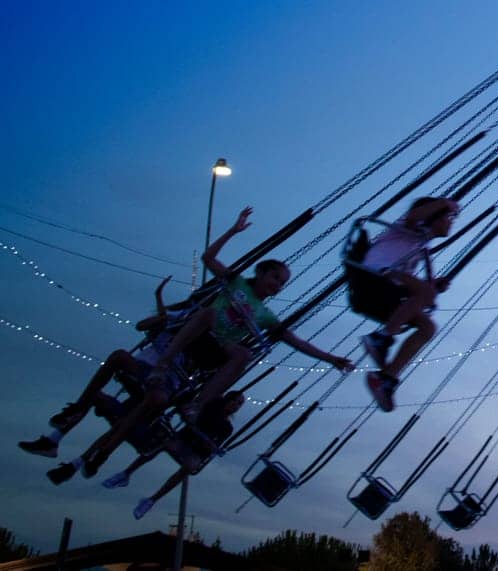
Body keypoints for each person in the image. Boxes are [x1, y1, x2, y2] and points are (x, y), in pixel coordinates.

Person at [57, 207, 352, 481]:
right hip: (196, 334)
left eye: (282, 283)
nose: (278, 285)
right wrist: (233, 231)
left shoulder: (265, 314)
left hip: (211, 351)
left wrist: (331, 358)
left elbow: (294, 340)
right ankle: (101, 432)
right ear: (260, 273)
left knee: (243, 352)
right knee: (209, 313)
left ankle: (196, 405)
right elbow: (209, 258)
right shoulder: (237, 283)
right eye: (275, 277)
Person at [19, 277, 182, 460]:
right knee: (105, 378)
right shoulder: (172, 321)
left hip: (161, 379)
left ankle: (82, 459)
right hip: (142, 367)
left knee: (120, 417)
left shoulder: (192, 341)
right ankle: (57, 436)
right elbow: (141, 326)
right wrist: (161, 304)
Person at [354, 196, 457, 411]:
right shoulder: (406, 228)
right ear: (433, 216)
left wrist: (435, 285)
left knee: (428, 327)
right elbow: (413, 215)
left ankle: (386, 378)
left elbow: (421, 287)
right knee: (425, 292)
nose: (451, 222)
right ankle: (381, 338)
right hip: (374, 276)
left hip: (391, 288)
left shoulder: (421, 246)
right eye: (449, 217)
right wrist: (443, 203)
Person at [96, 390, 246, 520]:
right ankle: (127, 473)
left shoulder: (227, 427)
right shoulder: (210, 407)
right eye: (235, 401)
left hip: (195, 450)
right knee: (163, 443)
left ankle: (152, 500)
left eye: (239, 404)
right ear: (228, 398)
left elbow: (213, 445)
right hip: (183, 440)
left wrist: (209, 445)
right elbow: (199, 408)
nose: (236, 405)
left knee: (191, 466)